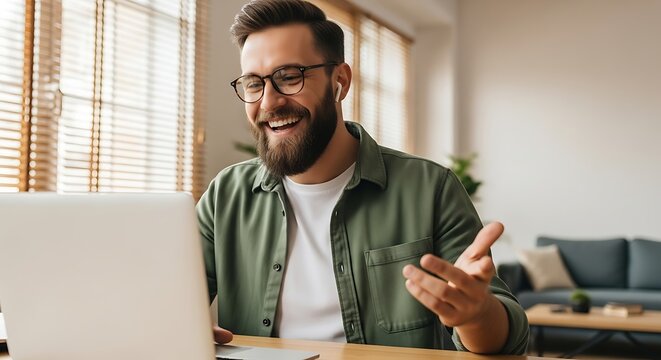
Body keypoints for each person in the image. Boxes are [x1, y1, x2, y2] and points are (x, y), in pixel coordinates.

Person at [196, 0, 529, 354]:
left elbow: (507, 341)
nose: (268, 102)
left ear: (339, 81)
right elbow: (164, 300)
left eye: (289, 77)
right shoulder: (225, 196)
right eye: (253, 83)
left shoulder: (430, 189)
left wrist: (476, 316)